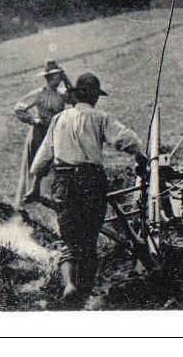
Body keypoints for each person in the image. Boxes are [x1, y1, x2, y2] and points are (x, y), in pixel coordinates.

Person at [24, 72, 147, 302]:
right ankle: (87, 296)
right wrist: (141, 155)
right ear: (94, 97)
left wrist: (35, 186)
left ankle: (69, 285)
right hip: (91, 182)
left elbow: (41, 160)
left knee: (69, 241)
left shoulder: (58, 120)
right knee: (89, 241)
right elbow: (125, 139)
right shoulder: (100, 117)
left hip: (63, 182)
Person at [13, 59, 74, 207]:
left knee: (58, 165)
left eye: (60, 76)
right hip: (40, 132)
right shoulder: (40, 94)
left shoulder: (61, 94)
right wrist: (34, 121)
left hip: (56, 133)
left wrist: (66, 79)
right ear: (49, 78)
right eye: (57, 76)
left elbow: (75, 99)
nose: (59, 79)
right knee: (38, 163)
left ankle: (52, 198)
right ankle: (31, 197)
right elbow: (19, 108)